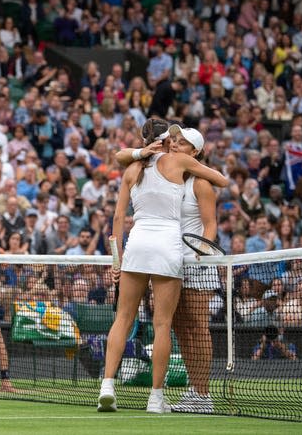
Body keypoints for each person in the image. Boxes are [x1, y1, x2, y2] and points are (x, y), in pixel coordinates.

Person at [98, 119, 229, 413]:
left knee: (190, 328)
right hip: (168, 253)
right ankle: (157, 398)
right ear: (163, 141)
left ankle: (199, 393)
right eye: (173, 139)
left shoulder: (141, 169)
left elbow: (119, 217)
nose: (176, 143)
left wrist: (116, 259)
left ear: (194, 150)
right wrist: (145, 152)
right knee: (170, 326)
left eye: (182, 141)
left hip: (181, 258)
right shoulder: (171, 162)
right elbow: (225, 179)